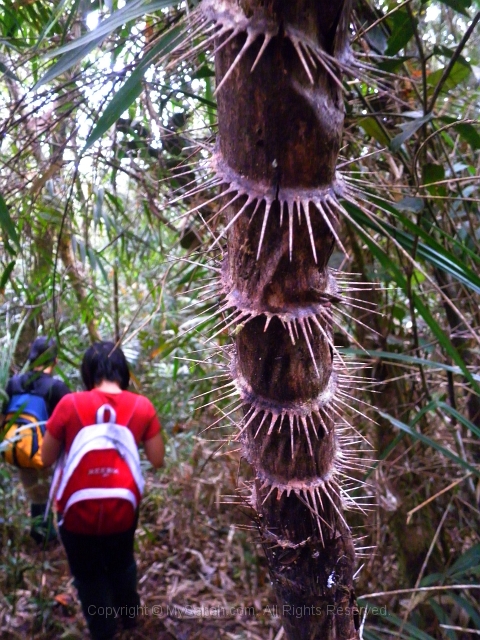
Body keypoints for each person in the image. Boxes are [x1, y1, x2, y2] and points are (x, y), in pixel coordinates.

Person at [41, 341, 164, 640]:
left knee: (88, 576)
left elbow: (45, 459)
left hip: (76, 515)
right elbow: (157, 460)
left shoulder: (69, 404)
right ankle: (129, 615)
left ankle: (104, 629)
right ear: (123, 370)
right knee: (122, 562)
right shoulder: (143, 407)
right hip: (122, 511)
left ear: (88, 372)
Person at [2, 336, 70, 544]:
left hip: (19, 450)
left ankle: (40, 535)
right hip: (47, 453)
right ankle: (58, 539)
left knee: (36, 495)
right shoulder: (57, 388)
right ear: (55, 361)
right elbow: (69, 425)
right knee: (57, 494)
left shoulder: (14, 383)